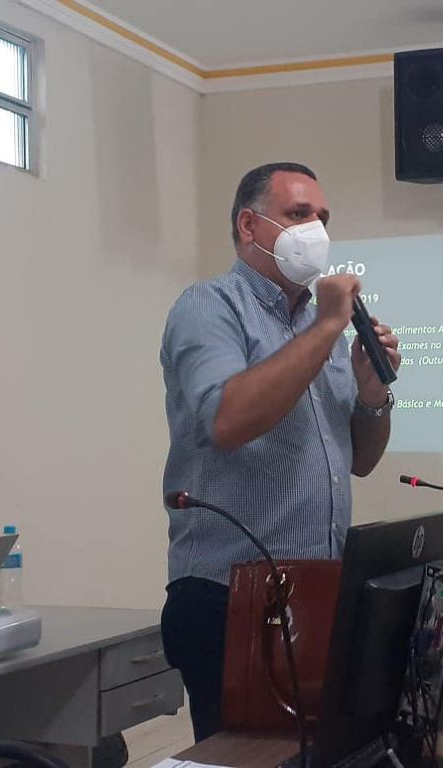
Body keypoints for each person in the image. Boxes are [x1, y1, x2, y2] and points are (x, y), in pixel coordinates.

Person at [159, 162, 401, 742]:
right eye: (298, 214)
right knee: (250, 757)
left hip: (316, 595)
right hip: (229, 599)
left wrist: (372, 396)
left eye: (323, 218)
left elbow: (360, 460)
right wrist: (328, 326)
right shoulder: (209, 306)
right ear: (249, 225)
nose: (315, 229)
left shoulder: (323, 331)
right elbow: (227, 420)